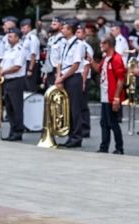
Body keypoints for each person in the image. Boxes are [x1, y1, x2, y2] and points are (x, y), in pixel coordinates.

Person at [91, 35, 125, 154]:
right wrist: (91, 60)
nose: (100, 45)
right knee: (104, 122)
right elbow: (98, 69)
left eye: (102, 43)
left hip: (111, 96)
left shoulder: (116, 59)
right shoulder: (105, 58)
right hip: (105, 95)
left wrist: (116, 97)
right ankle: (104, 146)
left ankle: (119, 148)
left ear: (108, 45)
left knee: (113, 122)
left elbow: (121, 79)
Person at [55, 19, 85, 148]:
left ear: (71, 30)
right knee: (66, 108)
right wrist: (58, 77)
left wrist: (62, 77)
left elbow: (75, 65)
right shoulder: (64, 44)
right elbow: (60, 63)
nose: (62, 30)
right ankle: (70, 135)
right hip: (64, 76)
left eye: (64, 28)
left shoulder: (79, 44)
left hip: (73, 78)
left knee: (75, 109)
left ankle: (77, 137)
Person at [0, 26, 27, 142]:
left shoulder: (20, 50)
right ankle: (12, 130)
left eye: (10, 36)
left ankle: (18, 132)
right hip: (7, 80)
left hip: (16, 81)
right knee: (9, 108)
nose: (8, 39)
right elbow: (3, 63)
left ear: (17, 38)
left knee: (16, 107)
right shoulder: (8, 50)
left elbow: (17, 66)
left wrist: (3, 71)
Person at [20, 19, 40, 92]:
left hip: (31, 63)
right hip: (25, 63)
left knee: (30, 85)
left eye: (24, 28)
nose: (22, 30)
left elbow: (33, 54)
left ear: (29, 27)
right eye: (21, 28)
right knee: (25, 86)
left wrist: (30, 69)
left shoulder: (32, 38)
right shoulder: (24, 38)